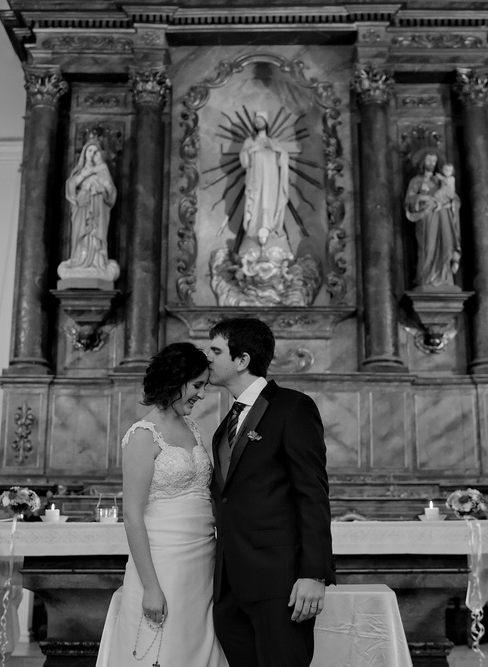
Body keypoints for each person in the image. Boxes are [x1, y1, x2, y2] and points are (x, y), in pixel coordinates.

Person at [206, 318, 335, 667]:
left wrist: (314, 573)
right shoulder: (225, 424)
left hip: (279, 580)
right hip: (230, 583)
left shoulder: (292, 407)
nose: (208, 358)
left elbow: (312, 493)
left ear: (242, 360)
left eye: (216, 351)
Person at [96, 342, 228, 667]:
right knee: (162, 649)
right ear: (175, 380)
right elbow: (131, 516)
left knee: (196, 646)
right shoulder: (143, 435)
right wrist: (151, 588)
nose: (201, 394)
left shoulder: (193, 429)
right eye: (197, 385)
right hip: (163, 563)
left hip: (202, 563)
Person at [58, 138, 120, 282]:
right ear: (85, 153)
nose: (92, 154)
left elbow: (111, 193)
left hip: (98, 210)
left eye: (95, 151)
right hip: (82, 208)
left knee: (96, 235)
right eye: (90, 151)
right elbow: (71, 187)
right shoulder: (79, 171)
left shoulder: (102, 170)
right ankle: (80, 260)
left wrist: (103, 187)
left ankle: (97, 262)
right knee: (81, 234)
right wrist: (85, 177)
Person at [404, 154, 460, 288]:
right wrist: (422, 198)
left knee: (445, 248)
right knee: (428, 248)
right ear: (422, 162)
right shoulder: (416, 180)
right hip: (426, 217)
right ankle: (425, 279)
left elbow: (454, 198)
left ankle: (444, 279)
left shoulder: (440, 180)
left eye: (434, 160)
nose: (431, 163)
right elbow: (409, 200)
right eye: (429, 160)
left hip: (442, 217)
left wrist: (451, 203)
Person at [239, 113, 291, 250]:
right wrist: (253, 150)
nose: (258, 123)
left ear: (266, 123)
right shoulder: (249, 141)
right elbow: (244, 161)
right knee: (256, 202)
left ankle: (269, 228)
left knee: (270, 202)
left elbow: (283, 157)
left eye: (260, 120)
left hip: (271, 177)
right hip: (256, 178)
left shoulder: (272, 142)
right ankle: (254, 230)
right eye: (256, 121)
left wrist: (279, 151)